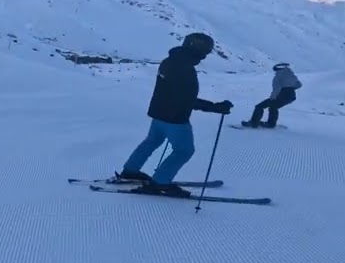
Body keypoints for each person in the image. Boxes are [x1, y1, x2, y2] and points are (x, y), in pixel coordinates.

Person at [116, 32, 233, 196]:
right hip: (174, 118)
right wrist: (215, 107)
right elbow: (186, 99)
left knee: (151, 142)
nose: (205, 56)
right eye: (205, 51)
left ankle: (130, 171)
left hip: (159, 113)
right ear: (197, 49)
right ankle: (160, 182)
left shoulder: (170, 61)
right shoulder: (184, 68)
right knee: (184, 151)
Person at [243, 62, 302, 128]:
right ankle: (271, 124)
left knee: (259, 106)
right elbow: (299, 85)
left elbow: (276, 89)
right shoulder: (291, 75)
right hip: (291, 95)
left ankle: (254, 123)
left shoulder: (278, 77)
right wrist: (290, 88)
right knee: (273, 107)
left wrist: (273, 97)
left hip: (282, 95)